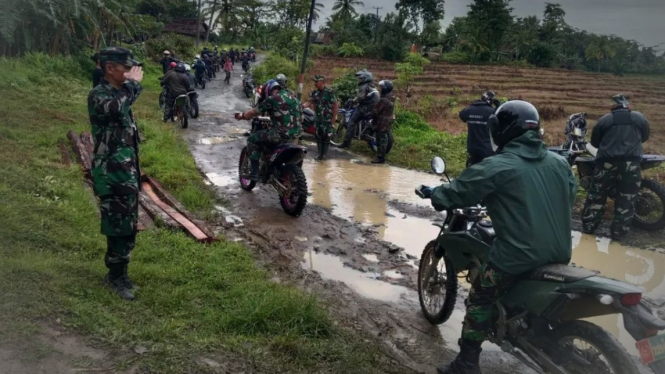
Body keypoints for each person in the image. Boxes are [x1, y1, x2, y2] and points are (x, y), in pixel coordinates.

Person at [417, 101, 577, 374]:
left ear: (503, 131)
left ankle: (466, 363)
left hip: (517, 257)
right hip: (560, 253)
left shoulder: (498, 165)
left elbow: (457, 192)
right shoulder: (560, 163)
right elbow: (568, 197)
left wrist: (435, 194)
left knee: (480, 296)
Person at [87, 47, 144, 301]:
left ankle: (120, 273)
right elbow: (115, 109)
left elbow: (128, 100)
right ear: (110, 68)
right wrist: (132, 85)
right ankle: (115, 275)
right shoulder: (99, 95)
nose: (130, 72)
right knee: (117, 224)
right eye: (126, 68)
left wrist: (131, 85)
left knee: (128, 224)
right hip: (111, 171)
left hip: (126, 170)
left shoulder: (119, 92)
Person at [582, 94, 650, 240]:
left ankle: (589, 227)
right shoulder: (639, 118)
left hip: (607, 163)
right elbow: (644, 136)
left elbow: (594, 143)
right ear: (627, 105)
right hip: (631, 164)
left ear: (612, 105)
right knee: (627, 198)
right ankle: (619, 233)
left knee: (597, 195)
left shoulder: (604, 120)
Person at [233, 81, 302, 180]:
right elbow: (300, 118)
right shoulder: (295, 99)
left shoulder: (272, 99)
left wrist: (242, 116)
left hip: (280, 135)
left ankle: (255, 173)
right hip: (296, 136)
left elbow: (254, 112)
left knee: (252, 139)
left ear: (270, 90)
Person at [339, 70, 379, 148]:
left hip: (365, 108)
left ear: (366, 78)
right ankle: (363, 132)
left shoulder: (363, 86)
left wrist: (353, 101)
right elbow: (367, 97)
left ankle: (346, 143)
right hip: (374, 108)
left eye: (362, 78)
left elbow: (360, 97)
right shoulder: (372, 86)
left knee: (352, 122)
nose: (360, 79)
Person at [460, 90, 500, 166]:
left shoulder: (470, 109)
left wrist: (473, 105)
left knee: (473, 170)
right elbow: (501, 118)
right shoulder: (491, 112)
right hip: (487, 149)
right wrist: (498, 106)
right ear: (491, 101)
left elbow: (462, 115)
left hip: (472, 148)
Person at [306, 75, 339, 160]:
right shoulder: (315, 92)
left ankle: (324, 155)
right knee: (318, 136)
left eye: (316, 82)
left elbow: (335, 105)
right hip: (318, 119)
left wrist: (334, 117)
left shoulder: (329, 92)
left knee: (326, 137)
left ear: (322, 82)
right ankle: (319, 154)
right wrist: (302, 106)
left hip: (327, 119)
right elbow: (310, 102)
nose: (315, 84)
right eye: (315, 82)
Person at [371, 80, 396, 164]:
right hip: (389, 119)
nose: (379, 89)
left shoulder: (383, 100)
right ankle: (381, 155)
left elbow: (375, 111)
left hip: (382, 121)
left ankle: (380, 157)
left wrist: (370, 113)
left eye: (381, 88)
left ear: (385, 89)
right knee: (384, 137)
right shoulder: (391, 98)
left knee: (381, 139)